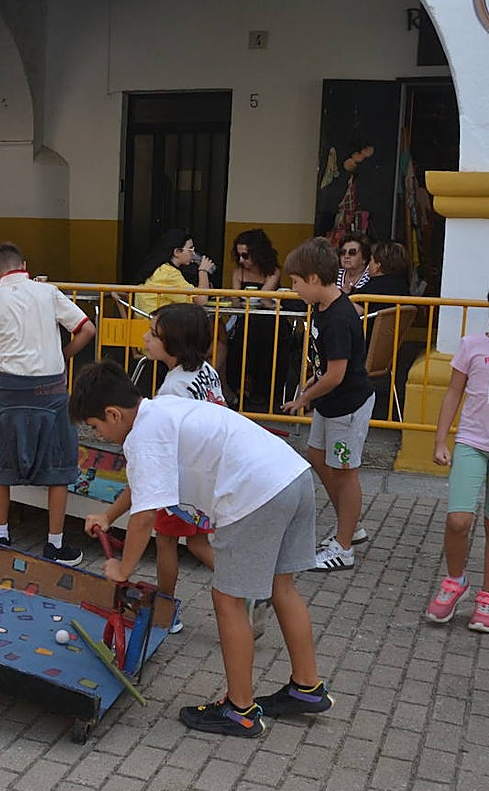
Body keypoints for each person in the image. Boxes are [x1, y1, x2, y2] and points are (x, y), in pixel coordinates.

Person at [69, 360, 333, 737]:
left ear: (113, 413)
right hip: (292, 476)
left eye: (96, 427)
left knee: (228, 600)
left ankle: (239, 711)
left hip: (254, 495)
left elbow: (145, 517)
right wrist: (109, 515)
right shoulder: (162, 410)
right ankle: (306, 687)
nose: (99, 435)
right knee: (282, 587)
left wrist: (122, 569)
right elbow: (144, 485)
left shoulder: (144, 436)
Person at [84, 304, 222, 631]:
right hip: (206, 471)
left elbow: (146, 499)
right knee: (199, 542)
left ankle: (165, 610)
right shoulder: (206, 370)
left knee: (165, 541)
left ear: (176, 344)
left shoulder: (173, 389)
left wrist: (124, 564)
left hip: (179, 477)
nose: (146, 337)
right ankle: (248, 589)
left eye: (154, 334)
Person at [0, 242, 96, 565]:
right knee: (58, 467)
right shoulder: (48, 292)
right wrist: (64, 356)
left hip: (9, 391)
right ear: (24, 265)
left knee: (1, 467)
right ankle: (54, 544)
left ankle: (0, 536)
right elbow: (87, 329)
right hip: (51, 390)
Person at [282, 237, 375, 571]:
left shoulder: (337, 318)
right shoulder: (322, 308)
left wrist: (305, 398)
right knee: (318, 457)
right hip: (330, 403)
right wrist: (312, 383)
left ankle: (344, 546)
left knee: (345, 473)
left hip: (347, 406)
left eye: (296, 282)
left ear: (313, 278)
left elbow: (336, 375)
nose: (293, 289)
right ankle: (348, 525)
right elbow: (327, 367)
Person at [426, 302, 489, 631]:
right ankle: (455, 581)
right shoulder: (472, 346)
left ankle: (487, 596)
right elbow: (453, 393)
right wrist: (440, 440)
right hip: (471, 442)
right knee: (457, 520)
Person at [225, 228, 291, 407]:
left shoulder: (273, 271)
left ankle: (262, 389)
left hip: (269, 321)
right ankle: (241, 384)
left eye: (245, 256)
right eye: (238, 255)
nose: (241, 260)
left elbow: (264, 296)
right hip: (247, 318)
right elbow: (236, 300)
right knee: (242, 336)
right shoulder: (238, 271)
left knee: (264, 335)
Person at [132, 229, 213, 316]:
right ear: (177, 252)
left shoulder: (160, 268)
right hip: (156, 322)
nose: (193, 253)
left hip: (146, 320)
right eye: (190, 249)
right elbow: (201, 300)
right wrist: (203, 270)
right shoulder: (169, 273)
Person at [357, 241, 412, 315]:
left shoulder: (371, 289)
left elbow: (352, 312)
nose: (368, 264)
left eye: (371, 260)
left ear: (377, 266)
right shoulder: (404, 286)